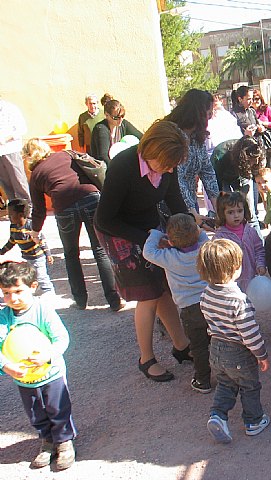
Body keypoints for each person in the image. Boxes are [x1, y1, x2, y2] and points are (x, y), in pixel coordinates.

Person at [94, 120, 191, 382]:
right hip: (118, 231)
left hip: (148, 227)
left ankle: (181, 345)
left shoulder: (167, 164)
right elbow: (105, 219)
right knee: (147, 294)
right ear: (152, 152)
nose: (170, 170)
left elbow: (175, 200)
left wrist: (189, 227)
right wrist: (146, 239)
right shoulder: (123, 165)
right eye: (167, 164)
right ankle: (146, 359)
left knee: (162, 287)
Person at [24, 138, 123, 311]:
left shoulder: (36, 175)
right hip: (90, 198)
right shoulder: (66, 154)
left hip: (64, 208)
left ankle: (80, 300)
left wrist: (35, 231)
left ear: (28, 156)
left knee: (71, 254)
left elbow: (39, 210)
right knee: (100, 249)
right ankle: (114, 300)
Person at [0, 262, 76, 470]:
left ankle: (64, 441)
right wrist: (6, 366)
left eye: (18, 291)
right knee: (35, 412)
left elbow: (61, 338)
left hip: (52, 373)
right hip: (24, 378)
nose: (12, 298)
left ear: (33, 287)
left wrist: (47, 355)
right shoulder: (4, 317)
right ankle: (47, 440)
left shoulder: (42, 310)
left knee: (57, 407)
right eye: (6, 293)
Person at [197, 238, 270, 443]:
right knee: (249, 386)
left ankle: (218, 415)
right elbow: (249, 333)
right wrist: (261, 354)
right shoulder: (239, 300)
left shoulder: (206, 294)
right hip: (238, 351)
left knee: (226, 384)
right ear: (234, 268)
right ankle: (254, 421)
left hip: (216, 348)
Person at [142, 214, 212, 394]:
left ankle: (203, 380)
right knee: (217, 338)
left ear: (171, 241)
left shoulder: (169, 257)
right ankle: (226, 370)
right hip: (211, 303)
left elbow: (148, 252)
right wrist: (196, 228)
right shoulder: (204, 248)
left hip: (190, 309)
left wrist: (156, 234)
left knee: (198, 346)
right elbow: (202, 234)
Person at [164, 89, 219, 223]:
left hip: (191, 203)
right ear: (198, 112)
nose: (210, 117)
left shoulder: (196, 137)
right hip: (173, 205)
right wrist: (192, 212)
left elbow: (207, 171)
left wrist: (219, 207)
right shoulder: (174, 135)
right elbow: (178, 178)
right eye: (209, 113)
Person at [213, 191, 266, 292]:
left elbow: (259, 250)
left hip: (252, 278)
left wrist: (260, 264)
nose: (236, 215)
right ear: (223, 214)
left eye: (239, 211)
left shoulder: (250, 231)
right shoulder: (220, 237)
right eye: (230, 212)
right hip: (231, 283)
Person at [0, 199, 55, 295]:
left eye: (11, 215)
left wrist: (48, 254)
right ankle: (36, 292)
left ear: (20, 215)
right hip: (27, 257)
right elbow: (12, 241)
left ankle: (49, 292)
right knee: (30, 276)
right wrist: (2, 251)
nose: (9, 217)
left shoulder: (31, 226)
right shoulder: (13, 227)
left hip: (37, 257)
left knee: (41, 277)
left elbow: (42, 240)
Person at [214, 136, 264, 234]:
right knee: (228, 206)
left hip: (243, 173)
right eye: (253, 159)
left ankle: (257, 239)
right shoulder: (221, 155)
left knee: (251, 212)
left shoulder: (256, 152)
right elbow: (217, 180)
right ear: (244, 157)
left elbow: (252, 180)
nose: (256, 162)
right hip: (223, 176)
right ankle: (230, 235)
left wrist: (250, 208)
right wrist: (220, 199)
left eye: (257, 159)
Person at [90, 96, 142, 164]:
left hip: (119, 163)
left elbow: (142, 137)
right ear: (107, 115)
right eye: (116, 118)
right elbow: (103, 156)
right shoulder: (101, 129)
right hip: (105, 166)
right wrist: (117, 168)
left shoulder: (123, 124)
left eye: (122, 116)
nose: (120, 120)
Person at [0, 98, 30, 201]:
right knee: (5, 183)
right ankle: (14, 207)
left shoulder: (10, 108)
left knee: (18, 180)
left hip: (10, 150)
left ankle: (27, 206)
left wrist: (5, 139)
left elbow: (22, 129)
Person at [252, 90, 271, 171]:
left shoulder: (267, 109)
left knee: (269, 166)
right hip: (255, 143)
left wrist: (264, 124)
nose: (255, 101)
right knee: (256, 167)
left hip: (267, 142)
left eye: (257, 99)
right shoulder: (249, 111)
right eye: (253, 99)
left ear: (261, 99)